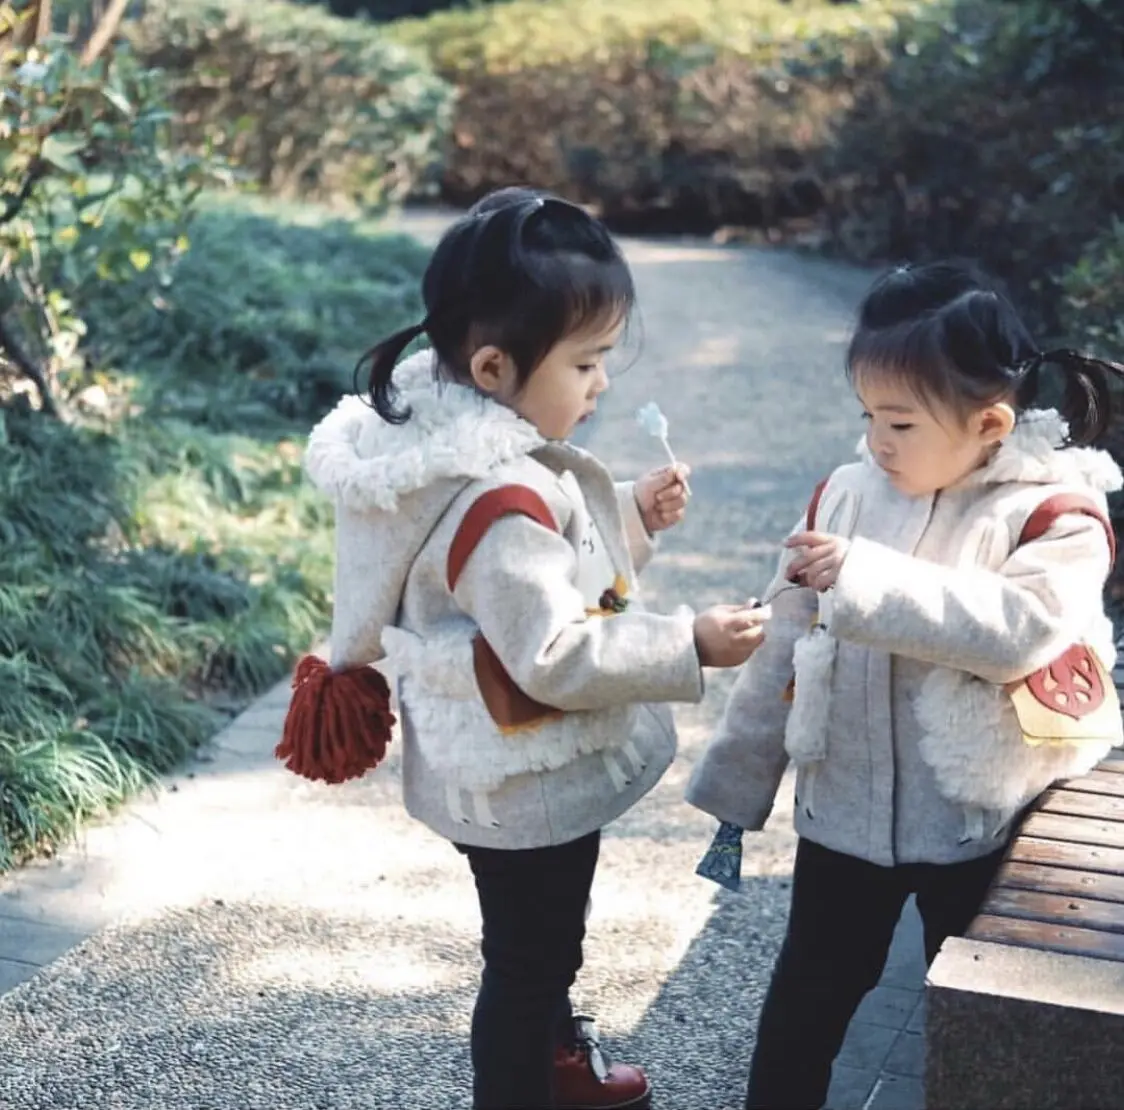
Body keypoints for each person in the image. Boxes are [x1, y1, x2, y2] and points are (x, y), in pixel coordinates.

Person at [277, 185, 770, 1110]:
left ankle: (555, 1064)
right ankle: (524, 1082)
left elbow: (543, 564)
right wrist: (689, 644)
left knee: (535, 944)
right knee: (531, 960)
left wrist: (628, 510)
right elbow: (551, 647)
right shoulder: (497, 500)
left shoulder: (449, 439)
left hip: (492, 767)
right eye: (586, 363)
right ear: (495, 365)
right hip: (525, 771)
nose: (602, 384)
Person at [686, 259, 1124, 1110]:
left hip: (980, 819)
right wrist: (738, 789)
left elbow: (1021, 633)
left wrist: (864, 578)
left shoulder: (1052, 512)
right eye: (867, 416)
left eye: (900, 422)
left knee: (967, 1016)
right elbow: (786, 649)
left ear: (989, 422)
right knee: (807, 998)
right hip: (841, 811)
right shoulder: (848, 496)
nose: (876, 442)